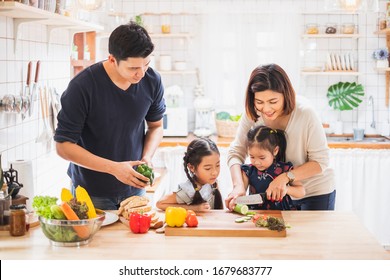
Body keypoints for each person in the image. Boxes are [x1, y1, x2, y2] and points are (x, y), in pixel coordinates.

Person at [54, 22, 166, 210]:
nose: (141, 73)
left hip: (135, 188)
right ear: (112, 59)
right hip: (90, 192)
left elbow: (156, 126)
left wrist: (147, 156)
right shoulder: (82, 87)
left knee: (136, 239)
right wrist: (114, 168)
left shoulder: (152, 80)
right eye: (133, 68)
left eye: (146, 64)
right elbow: (63, 147)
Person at [225, 63, 335, 211]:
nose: (266, 109)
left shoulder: (305, 113)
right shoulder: (252, 114)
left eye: (273, 102)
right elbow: (236, 152)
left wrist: (285, 177)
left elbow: (321, 162)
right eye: (259, 102)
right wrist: (238, 186)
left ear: (286, 94)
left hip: (314, 193)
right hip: (278, 197)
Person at [241, 125, 305, 210]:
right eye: (252, 157)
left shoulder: (284, 170)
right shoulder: (248, 171)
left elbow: (301, 191)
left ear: (275, 151)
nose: (256, 162)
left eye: (262, 158)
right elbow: (241, 193)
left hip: (282, 214)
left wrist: (286, 189)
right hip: (255, 214)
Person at [156, 138, 223, 211]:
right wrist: (195, 208)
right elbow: (160, 204)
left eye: (217, 165)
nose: (215, 172)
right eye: (208, 168)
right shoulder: (187, 190)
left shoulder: (212, 182)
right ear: (191, 167)